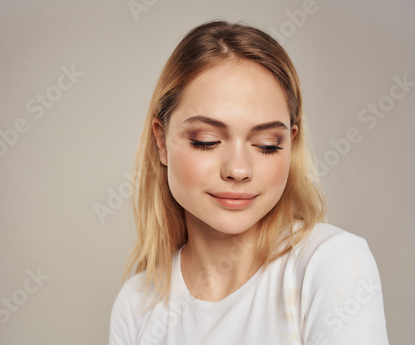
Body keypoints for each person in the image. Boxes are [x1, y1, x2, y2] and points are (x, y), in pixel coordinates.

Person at [109, 20, 389, 345]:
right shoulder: (137, 303)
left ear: (290, 144)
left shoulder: (330, 263)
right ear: (161, 141)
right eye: (207, 140)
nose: (239, 170)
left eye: (267, 144)